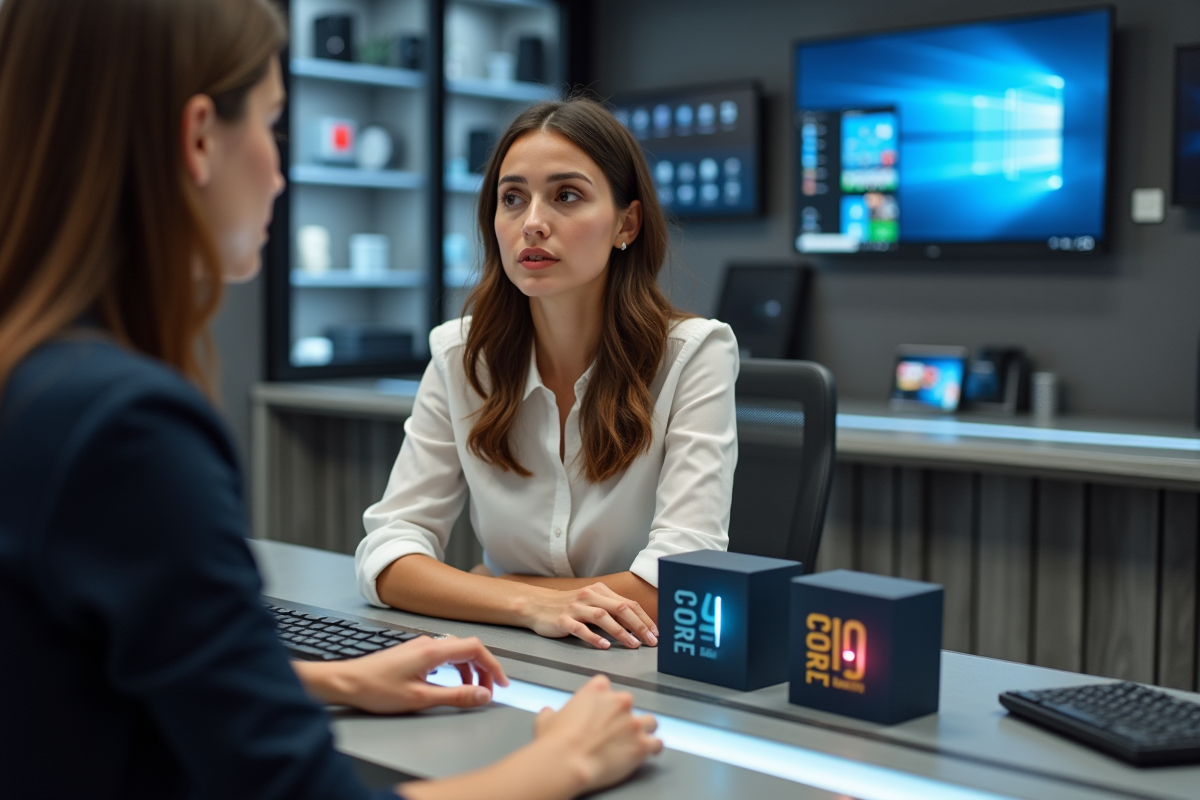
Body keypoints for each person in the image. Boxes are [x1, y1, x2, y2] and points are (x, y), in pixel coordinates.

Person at [0, 1, 661, 798]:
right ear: (200, 136)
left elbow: (84, 673)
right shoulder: (124, 428)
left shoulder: (39, 386)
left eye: (566, 197)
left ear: (626, 223)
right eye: (274, 126)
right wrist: (565, 761)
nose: (281, 173)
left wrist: (334, 681)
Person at [356, 98, 739, 650]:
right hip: (506, 653)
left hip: (637, 664)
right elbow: (387, 556)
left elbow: (681, 582)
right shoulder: (459, 355)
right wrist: (529, 603)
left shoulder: (694, 354)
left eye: (566, 195)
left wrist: (493, 587)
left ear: (625, 223)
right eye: (512, 198)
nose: (533, 223)